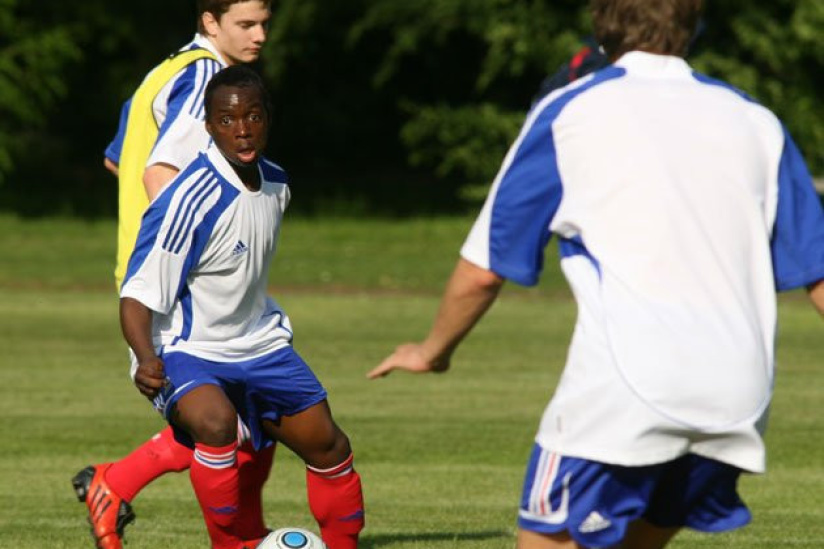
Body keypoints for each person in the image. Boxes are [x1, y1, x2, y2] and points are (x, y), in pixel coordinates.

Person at [368, 0, 824, 547]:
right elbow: (819, 275)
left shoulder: (571, 110)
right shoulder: (756, 120)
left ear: (602, 19)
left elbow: (485, 271)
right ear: (692, 23)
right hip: (737, 395)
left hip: (625, 392)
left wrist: (431, 351)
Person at [120, 65, 365, 549]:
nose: (243, 130)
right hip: (186, 348)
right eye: (227, 120)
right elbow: (137, 293)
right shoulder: (187, 200)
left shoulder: (277, 183)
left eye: (253, 116)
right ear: (209, 126)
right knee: (216, 426)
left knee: (329, 445)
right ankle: (230, 544)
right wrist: (145, 357)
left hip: (259, 343)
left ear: (268, 118)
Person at [72, 2, 273, 548]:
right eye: (246, 24)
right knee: (247, 410)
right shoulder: (207, 77)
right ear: (210, 22)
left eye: (264, 23)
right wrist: (195, 241)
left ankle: (116, 485)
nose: (259, 35)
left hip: (145, 266)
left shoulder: (164, 70)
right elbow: (159, 171)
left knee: (240, 410)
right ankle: (236, 533)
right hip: (180, 274)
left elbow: (117, 160)